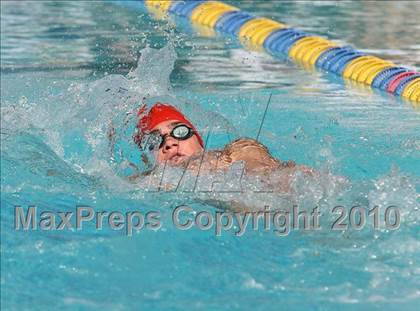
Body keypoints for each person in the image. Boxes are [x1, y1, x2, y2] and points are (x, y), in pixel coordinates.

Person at [133, 102, 314, 194]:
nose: (170, 142)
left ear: (198, 139)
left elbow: (262, 169)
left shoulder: (236, 150)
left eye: (180, 131)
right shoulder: (147, 183)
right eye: (155, 141)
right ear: (148, 158)